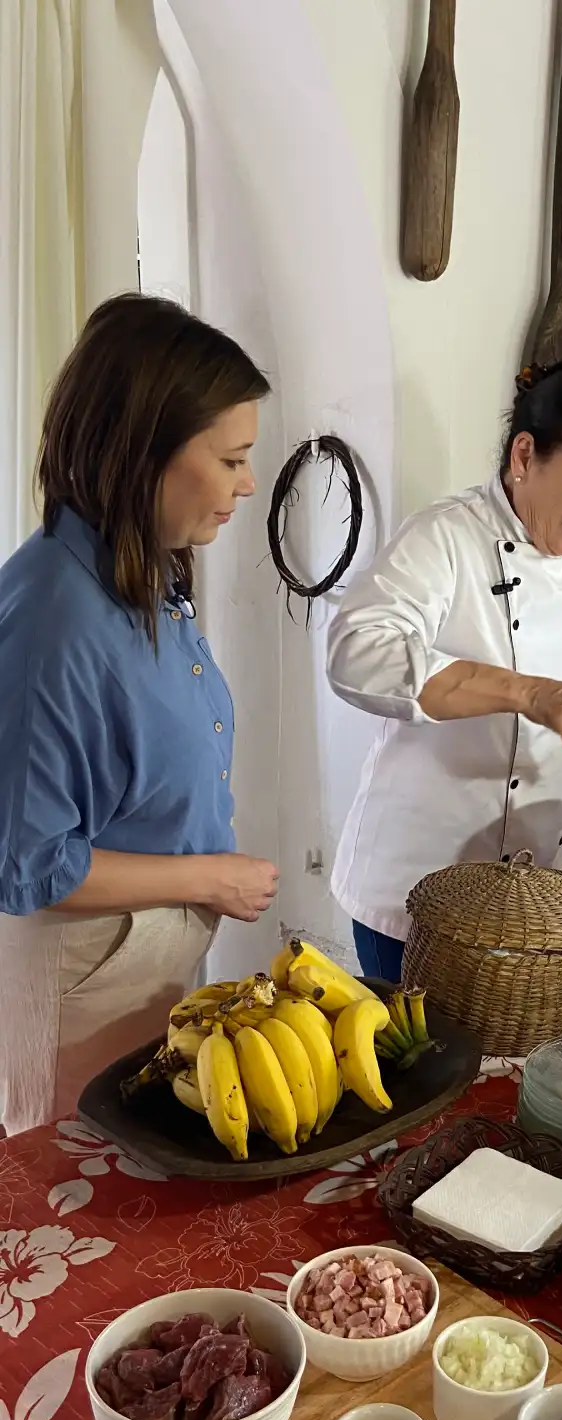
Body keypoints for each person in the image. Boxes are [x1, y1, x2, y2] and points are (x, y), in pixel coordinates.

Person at [327, 358, 562, 983]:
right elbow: (357, 654)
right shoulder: (443, 538)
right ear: (524, 455)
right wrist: (527, 693)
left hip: (533, 892)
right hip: (417, 883)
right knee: (411, 1067)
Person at [0, 294, 280, 1135]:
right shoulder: (56, 620)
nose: (248, 482)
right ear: (143, 451)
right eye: (230, 458)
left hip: (142, 960)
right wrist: (210, 877)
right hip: (84, 977)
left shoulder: (144, 571)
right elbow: (28, 864)